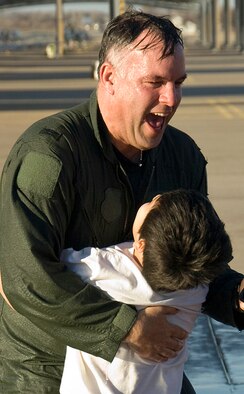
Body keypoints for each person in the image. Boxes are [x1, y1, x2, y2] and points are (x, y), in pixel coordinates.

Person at [0, 8, 243, 394]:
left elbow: (193, 264)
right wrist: (128, 329)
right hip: (48, 370)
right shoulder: (49, 157)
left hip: (148, 369)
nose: (171, 98)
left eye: (178, 82)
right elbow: (25, 279)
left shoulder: (183, 157)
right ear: (109, 77)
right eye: (155, 82)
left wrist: (236, 296)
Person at [59, 189, 233, 394]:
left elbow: (49, 267)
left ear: (141, 245)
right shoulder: (195, 290)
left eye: (152, 204)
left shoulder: (108, 270)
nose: (155, 196)